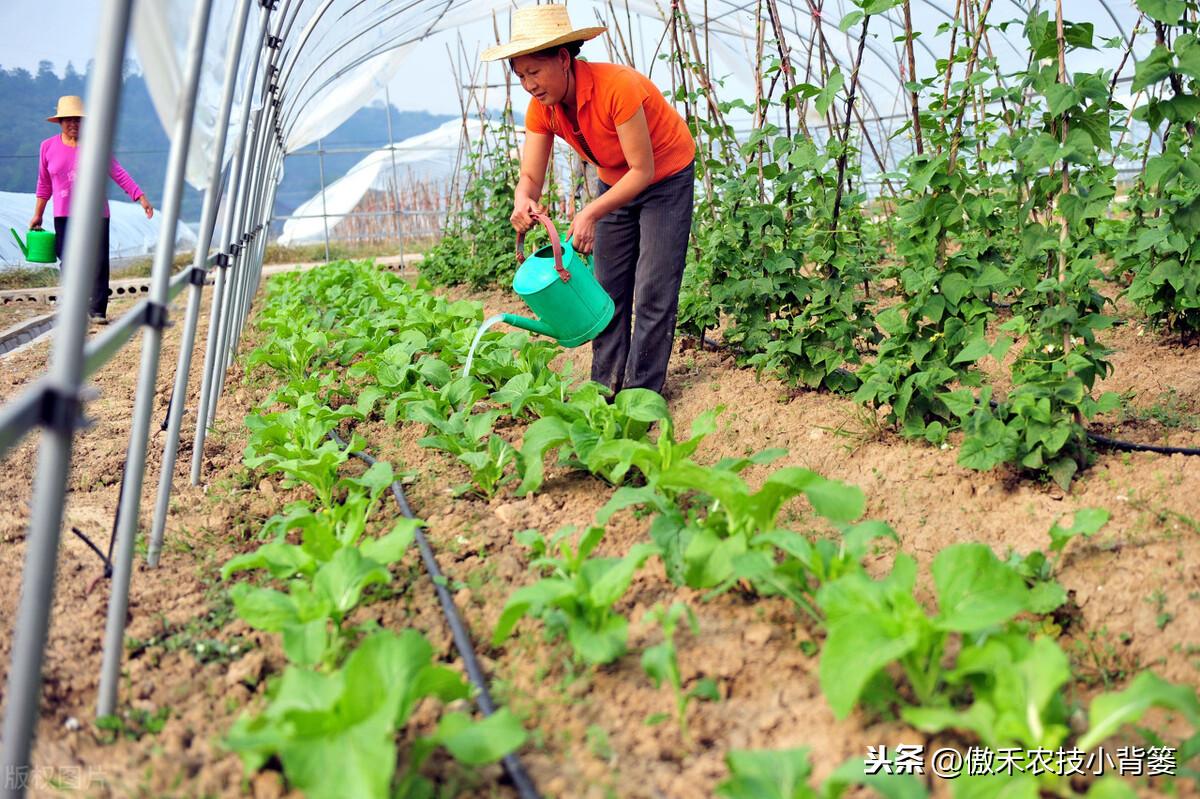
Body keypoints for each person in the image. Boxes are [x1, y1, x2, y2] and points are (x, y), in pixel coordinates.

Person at [483, 5, 696, 397]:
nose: (529, 84)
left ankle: (640, 395)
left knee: (652, 288)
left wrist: (591, 212)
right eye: (521, 76)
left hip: (664, 178)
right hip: (616, 182)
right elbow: (530, 176)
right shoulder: (543, 108)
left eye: (535, 71)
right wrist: (522, 198)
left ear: (563, 59)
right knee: (607, 288)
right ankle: (605, 388)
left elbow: (642, 171)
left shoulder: (618, 87)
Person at [30, 95, 154, 323]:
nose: (73, 124)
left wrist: (140, 196)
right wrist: (38, 213)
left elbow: (117, 172)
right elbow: (44, 183)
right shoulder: (47, 147)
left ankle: (97, 310)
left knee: (98, 261)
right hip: (64, 214)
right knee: (68, 260)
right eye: (68, 120)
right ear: (60, 122)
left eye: (77, 120)